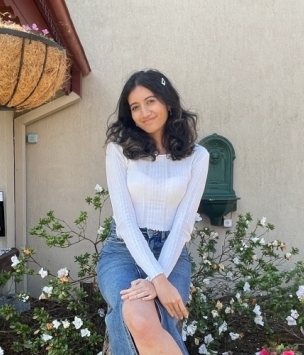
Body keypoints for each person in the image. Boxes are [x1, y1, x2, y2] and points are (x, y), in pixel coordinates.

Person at [97, 69, 209, 355]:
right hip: (122, 251)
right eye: (135, 107)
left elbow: (183, 225)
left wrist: (158, 275)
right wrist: (157, 281)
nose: (144, 112)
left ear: (168, 103)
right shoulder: (119, 151)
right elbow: (124, 222)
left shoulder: (197, 157)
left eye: (151, 101)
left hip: (171, 253)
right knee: (136, 316)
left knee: (157, 319)